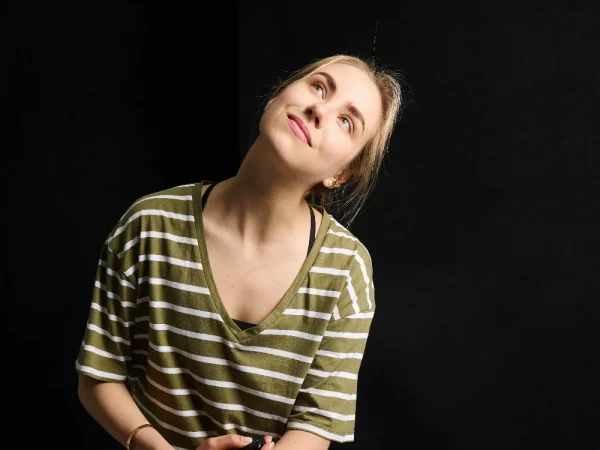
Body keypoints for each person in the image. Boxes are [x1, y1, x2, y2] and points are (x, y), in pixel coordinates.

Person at [75, 53, 405, 450]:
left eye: (346, 121)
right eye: (318, 87)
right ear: (277, 97)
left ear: (340, 175)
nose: (319, 109)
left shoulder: (347, 270)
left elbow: (316, 424)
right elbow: (98, 375)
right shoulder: (149, 224)